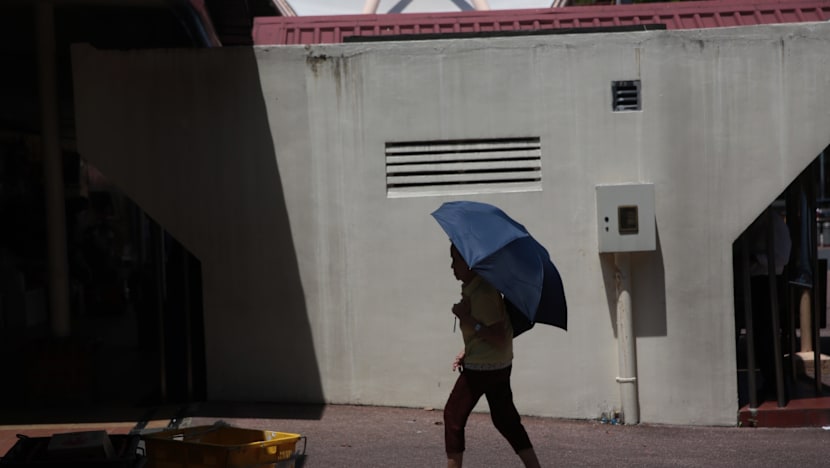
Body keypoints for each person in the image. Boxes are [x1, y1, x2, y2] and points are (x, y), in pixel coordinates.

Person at [443, 243, 541, 468]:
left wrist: (466, 318)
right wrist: (467, 350)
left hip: (483, 368)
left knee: (453, 416)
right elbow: (492, 331)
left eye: (455, 260)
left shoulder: (483, 292)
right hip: (497, 364)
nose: (452, 266)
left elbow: (498, 336)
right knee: (506, 420)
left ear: (469, 263)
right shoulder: (478, 287)